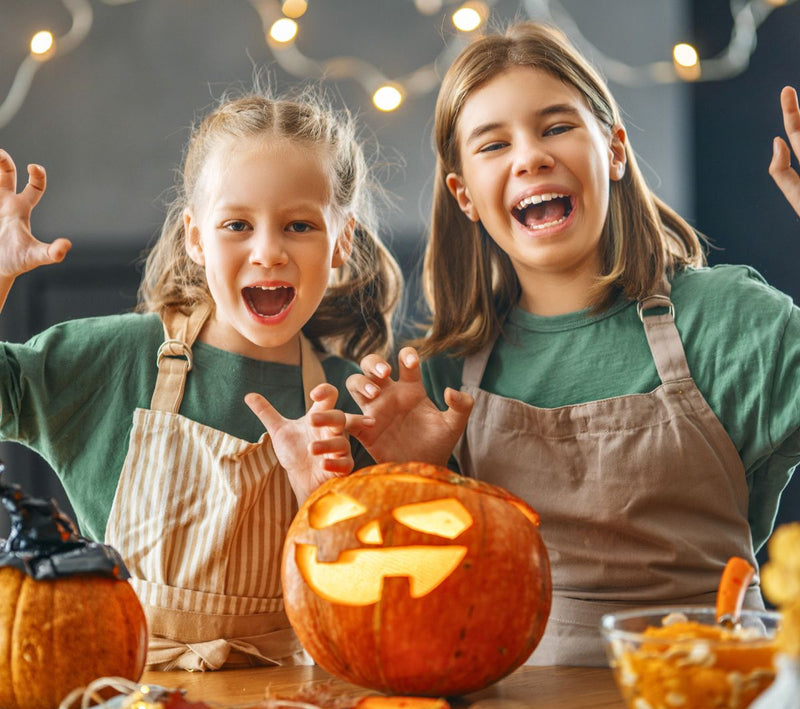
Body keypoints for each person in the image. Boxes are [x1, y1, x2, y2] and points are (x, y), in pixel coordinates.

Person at [346, 20, 800, 666]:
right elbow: (398, 592)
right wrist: (417, 480)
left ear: (613, 151)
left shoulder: (728, 322)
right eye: (493, 144)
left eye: (556, 127)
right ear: (464, 195)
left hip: (714, 702)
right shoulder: (437, 374)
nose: (530, 156)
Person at [0, 86, 402, 671]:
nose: (268, 251)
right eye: (237, 223)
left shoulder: (351, 402)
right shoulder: (116, 358)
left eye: (299, 226)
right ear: (195, 237)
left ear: (341, 240)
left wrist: (328, 500)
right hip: (121, 701)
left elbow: (385, 597)